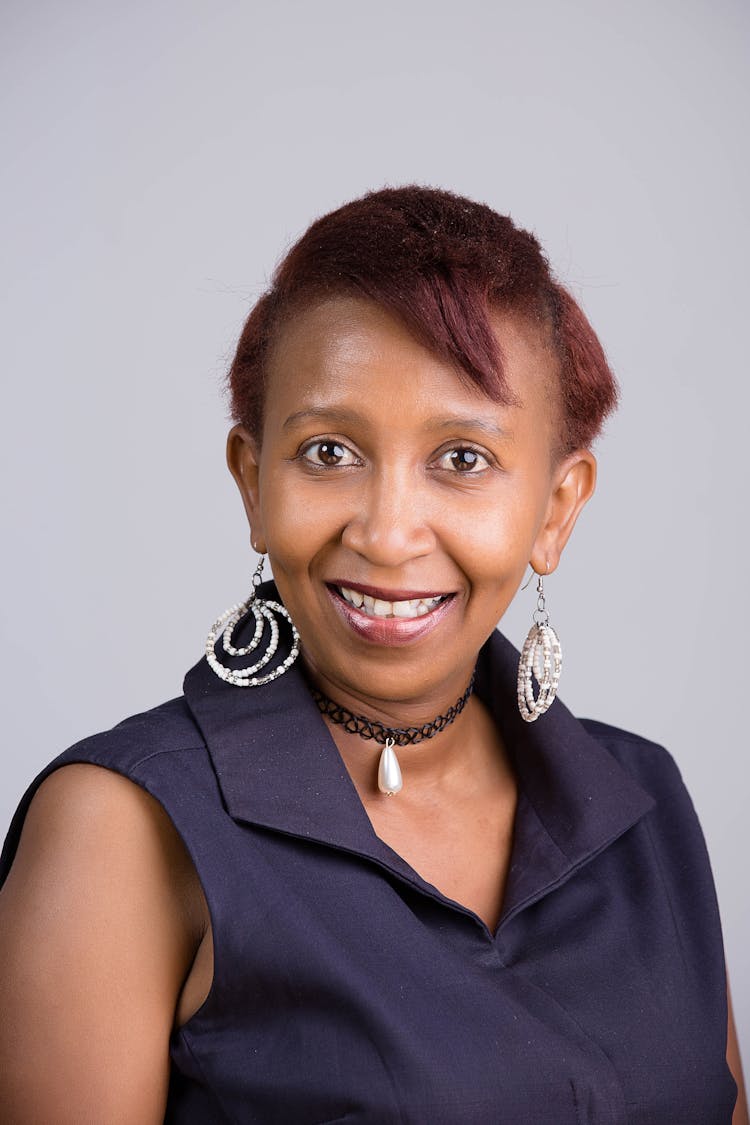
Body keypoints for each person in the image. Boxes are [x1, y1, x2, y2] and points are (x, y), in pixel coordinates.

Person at [0, 186, 746, 1124]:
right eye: (327, 451)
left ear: (557, 509)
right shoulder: (127, 827)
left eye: (462, 459)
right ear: (252, 483)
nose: (389, 534)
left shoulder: (649, 808)